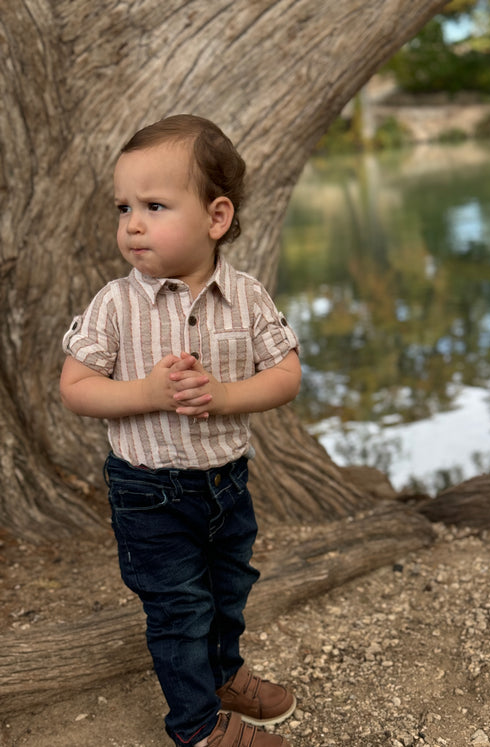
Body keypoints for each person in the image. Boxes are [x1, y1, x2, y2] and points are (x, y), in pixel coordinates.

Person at [60, 114, 301, 747]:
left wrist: (224, 395)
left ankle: (224, 676)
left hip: (226, 484)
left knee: (227, 592)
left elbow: (285, 376)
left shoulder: (246, 297)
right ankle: (196, 726)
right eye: (124, 207)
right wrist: (145, 392)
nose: (132, 224)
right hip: (149, 492)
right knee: (179, 609)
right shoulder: (115, 304)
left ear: (216, 218)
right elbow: (75, 388)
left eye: (154, 205)